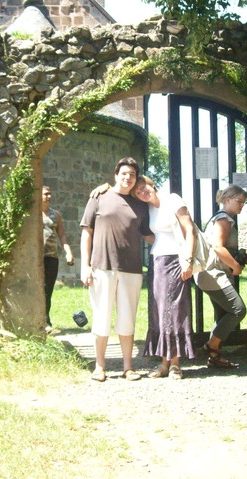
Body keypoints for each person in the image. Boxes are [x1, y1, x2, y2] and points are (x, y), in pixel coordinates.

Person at [79, 157, 153, 382]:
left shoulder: (140, 205)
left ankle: (128, 367)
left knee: (127, 319)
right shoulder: (99, 196)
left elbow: (149, 235)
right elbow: (86, 233)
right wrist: (85, 266)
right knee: (101, 317)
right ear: (115, 175)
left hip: (131, 269)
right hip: (101, 267)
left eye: (132, 174)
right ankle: (99, 366)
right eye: (124, 173)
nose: (128, 178)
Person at [132, 176, 196, 380]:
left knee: (175, 310)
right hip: (157, 261)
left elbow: (189, 229)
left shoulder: (173, 200)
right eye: (137, 192)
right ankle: (163, 363)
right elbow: (149, 235)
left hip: (177, 260)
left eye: (143, 187)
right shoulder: (147, 209)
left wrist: (187, 259)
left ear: (152, 185)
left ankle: (175, 364)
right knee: (159, 311)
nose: (142, 192)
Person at [194, 184, 247, 369]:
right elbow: (218, 247)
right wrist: (236, 266)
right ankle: (211, 346)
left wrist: (237, 256)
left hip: (210, 273)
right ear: (227, 200)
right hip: (213, 274)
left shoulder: (222, 218)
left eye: (244, 202)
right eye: (239, 201)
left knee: (223, 315)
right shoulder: (223, 219)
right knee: (238, 310)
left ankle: (215, 357)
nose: (242, 205)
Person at [41, 185, 74, 333]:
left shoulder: (56, 214)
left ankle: (46, 320)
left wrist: (68, 252)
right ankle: (39, 319)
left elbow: (62, 234)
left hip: (51, 257)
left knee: (48, 290)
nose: (49, 197)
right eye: (45, 194)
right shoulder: (33, 214)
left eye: (50, 194)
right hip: (36, 258)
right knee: (39, 289)